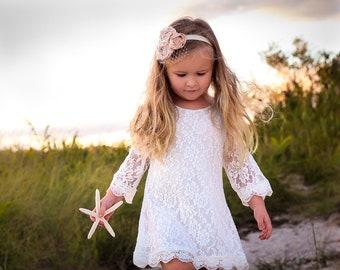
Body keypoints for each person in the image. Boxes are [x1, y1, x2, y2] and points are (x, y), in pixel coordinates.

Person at [93, 17, 273, 270]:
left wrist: (257, 203)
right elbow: (135, 161)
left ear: (214, 69)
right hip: (166, 211)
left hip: (209, 212)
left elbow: (238, 162)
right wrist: (110, 199)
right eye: (181, 74)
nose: (192, 82)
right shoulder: (159, 113)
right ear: (164, 71)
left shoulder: (219, 114)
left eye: (201, 73)